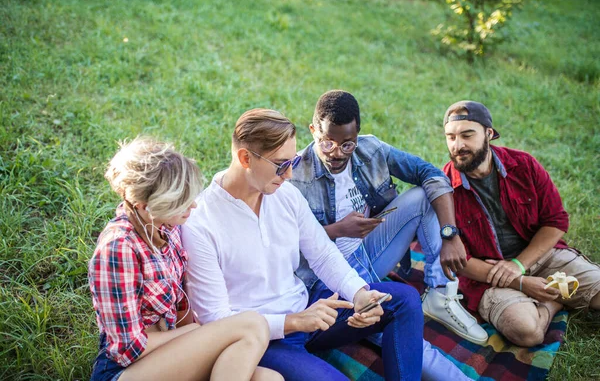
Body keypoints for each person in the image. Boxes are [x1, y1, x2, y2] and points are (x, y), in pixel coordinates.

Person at [183, 109, 425, 381]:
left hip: (308, 309)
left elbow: (322, 253)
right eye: (280, 164)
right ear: (245, 158)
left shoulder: (285, 194)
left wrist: (358, 293)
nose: (288, 175)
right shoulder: (199, 223)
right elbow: (215, 320)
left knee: (404, 300)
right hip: (262, 339)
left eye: (293, 162)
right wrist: (292, 322)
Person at [290, 90, 488, 347]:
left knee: (423, 194)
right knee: (404, 339)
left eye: (347, 144)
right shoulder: (296, 175)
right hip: (330, 275)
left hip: (371, 252)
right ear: (313, 130)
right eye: (327, 143)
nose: (337, 153)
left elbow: (431, 174)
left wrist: (450, 233)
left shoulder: (371, 149)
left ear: (357, 136)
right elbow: (285, 244)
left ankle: (439, 293)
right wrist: (338, 229)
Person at [88, 137, 281, 381]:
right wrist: (192, 332)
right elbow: (128, 350)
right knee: (252, 324)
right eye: (180, 202)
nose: (193, 206)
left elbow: (181, 306)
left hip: (167, 355)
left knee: (269, 379)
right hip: (125, 371)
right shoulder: (118, 248)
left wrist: (192, 332)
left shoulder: (167, 228)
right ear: (144, 205)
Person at [442, 100, 600, 347]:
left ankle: (547, 295)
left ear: (489, 133)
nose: (458, 145)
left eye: (467, 135)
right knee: (527, 332)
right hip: (488, 276)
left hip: (540, 255)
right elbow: (459, 262)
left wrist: (518, 265)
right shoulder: (443, 190)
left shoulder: (523, 165)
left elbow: (556, 221)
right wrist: (521, 282)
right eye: (451, 137)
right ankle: (554, 302)